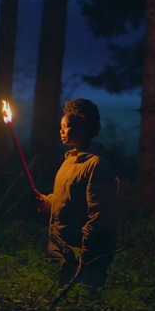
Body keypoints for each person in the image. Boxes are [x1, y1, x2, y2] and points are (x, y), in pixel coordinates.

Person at [34, 98, 117, 292]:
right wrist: (45, 201)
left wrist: (86, 249)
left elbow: (100, 213)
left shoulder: (97, 164)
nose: (61, 130)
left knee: (84, 303)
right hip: (59, 249)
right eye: (61, 126)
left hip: (83, 255)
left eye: (67, 126)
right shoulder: (68, 162)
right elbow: (65, 199)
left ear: (83, 127)